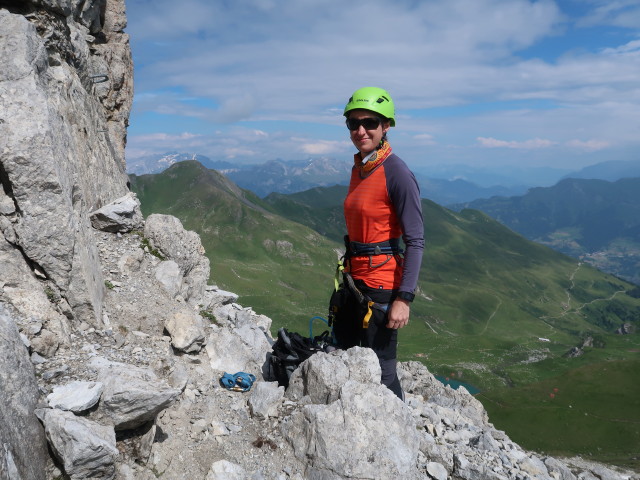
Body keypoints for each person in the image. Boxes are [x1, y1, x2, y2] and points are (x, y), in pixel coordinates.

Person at [334, 86, 424, 400]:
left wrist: (405, 298)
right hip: (353, 278)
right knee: (343, 355)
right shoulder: (360, 167)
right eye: (353, 123)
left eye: (370, 122)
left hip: (382, 286)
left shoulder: (396, 173)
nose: (361, 130)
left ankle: (400, 438)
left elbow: (415, 240)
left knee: (382, 370)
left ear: (386, 126)